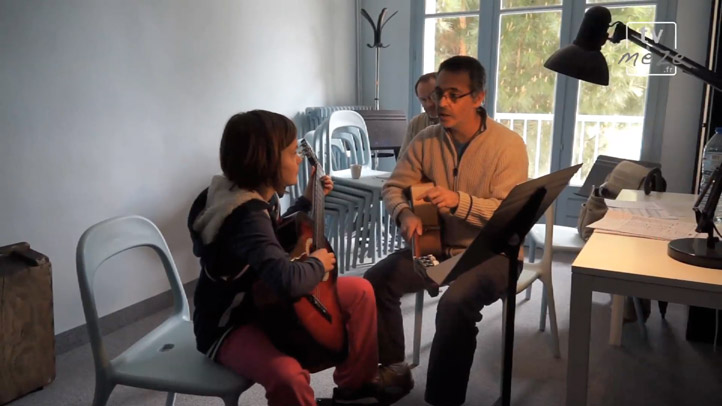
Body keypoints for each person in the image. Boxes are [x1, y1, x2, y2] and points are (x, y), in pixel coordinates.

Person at [188, 110, 385, 406]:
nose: (299, 159)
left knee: (361, 291)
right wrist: (318, 263)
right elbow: (287, 281)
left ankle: (354, 390)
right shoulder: (245, 216)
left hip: (264, 301)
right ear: (266, 159)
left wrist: (306, 199)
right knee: (288, 376)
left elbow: (273, 236)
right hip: (230, 324)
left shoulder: (253, 193)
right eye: (293, 152)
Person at [364, 56, 529, 406]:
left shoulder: (508, 145)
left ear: (479, 97)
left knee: (455, 304)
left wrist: (458, 201)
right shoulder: (425, 140)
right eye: (439, 93)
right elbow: (393, 187)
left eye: (454, 95)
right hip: (437, 247)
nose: (441, 103)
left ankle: (443, 400)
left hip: (495, 253)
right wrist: (404, 213)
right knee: (375, 280)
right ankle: (395, 368)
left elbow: (508, 214)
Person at [399, 72, 439, 156]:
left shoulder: (458, 123)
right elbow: (403, 159)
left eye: (433, 97)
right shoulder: (416, 123)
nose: (429, 104)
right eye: (423, 100)